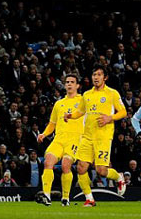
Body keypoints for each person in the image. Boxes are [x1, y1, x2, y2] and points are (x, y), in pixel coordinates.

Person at [65, 65, 127, 207]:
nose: (96, 77)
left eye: (99, 75)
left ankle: (118, 176)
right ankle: (89, 199)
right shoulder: (87, 94)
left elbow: (123, 112)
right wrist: (71, 116)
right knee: (81, 168)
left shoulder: (112, 93)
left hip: (103, 137)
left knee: (101, 171)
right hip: (87, 136)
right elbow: (80, 111)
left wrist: (110, 118)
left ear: (105, 77)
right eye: (94, 75)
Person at [36, 74, 83, 206]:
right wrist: (44, 134)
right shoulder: (59, 104)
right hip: (59, 139)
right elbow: (52, 123)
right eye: (67, 82)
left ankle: (66, 198)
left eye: (72, 82)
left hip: (74, 139)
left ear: (77, 85)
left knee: (65, 165)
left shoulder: (83, 101)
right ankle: (46, 195)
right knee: (48, 162)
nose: (69, 84)